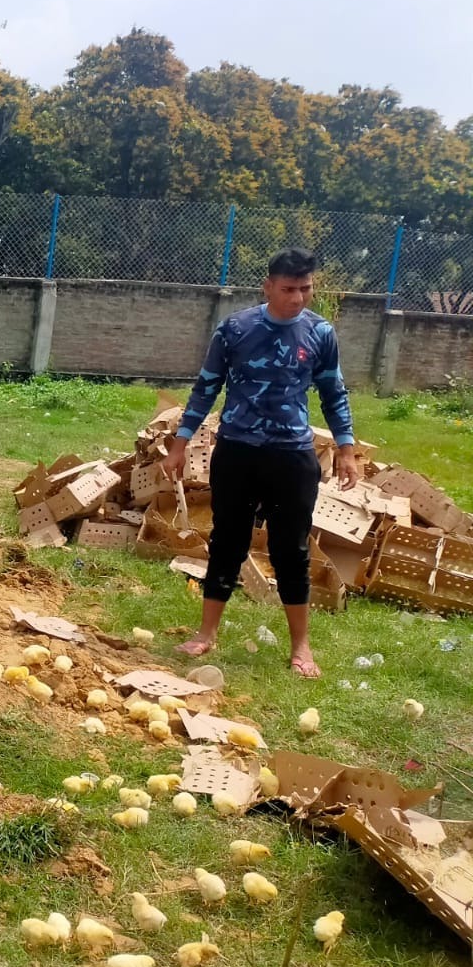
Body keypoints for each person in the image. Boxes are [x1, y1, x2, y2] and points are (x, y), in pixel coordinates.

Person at [164, 248, 358, 679]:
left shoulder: (320, 333)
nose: (297, 298)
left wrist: (346, 449)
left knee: (291, 549)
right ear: (268, 285)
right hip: (237, 451)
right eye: (288, 289)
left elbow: (333, 392)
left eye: (305, 289)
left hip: (292, 456)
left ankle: (301, 647)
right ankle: (206, 633)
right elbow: (206, 387)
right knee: (228, 540)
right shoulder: (235, 329)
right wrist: (180, 444)